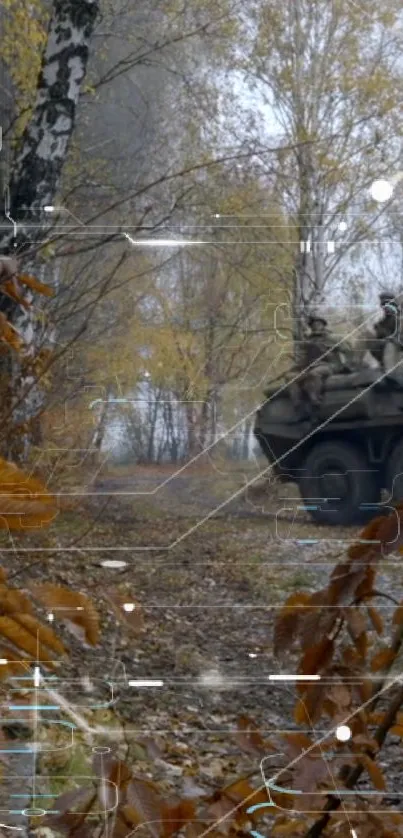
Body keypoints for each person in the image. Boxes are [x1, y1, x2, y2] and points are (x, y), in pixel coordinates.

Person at [291, 313, 348, 419]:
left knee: (314, 374)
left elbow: (347, 350)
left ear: (323, 325)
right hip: (311, 366)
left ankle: (315, 400)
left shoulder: (332, 338)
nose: (316, 326)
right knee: (292, 378)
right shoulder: (308, 341)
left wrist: (348, 365)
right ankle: (298, 405)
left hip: (331, 365)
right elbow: (303, 359)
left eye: (318, 324)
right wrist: (297, 367)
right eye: (313, 325)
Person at [362, 290, 402, 371]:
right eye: (383, 305)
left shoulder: (399, 319)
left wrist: (390, 338)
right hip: (383, 349)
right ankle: (355, 363)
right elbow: (378, 336)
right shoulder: (382, 321)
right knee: (365, 334)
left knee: (390, 344)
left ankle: (390, 371)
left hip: (396, 349)